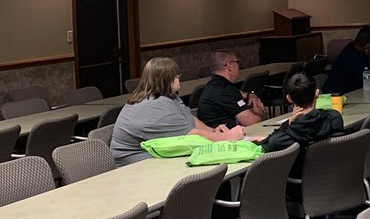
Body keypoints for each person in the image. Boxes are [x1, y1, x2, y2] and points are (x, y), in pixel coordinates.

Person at [110, 57, 243, 166]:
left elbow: (190, 121)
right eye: (177, 75)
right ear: (166, 79)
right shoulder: (155, 106)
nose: (179, 78)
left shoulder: (169, 96)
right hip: (134, 167)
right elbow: (192, 135)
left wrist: (213, 132)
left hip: (154, 159)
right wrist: (227, 137)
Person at [256, 70, 343, 174]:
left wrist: (287, 124)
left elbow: (268, 146)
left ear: (289, 98)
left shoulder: (283, 137)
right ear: (317, 93)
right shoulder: (335, 117)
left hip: (299, 185)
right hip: (336, 179)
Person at [198, 50, 265, 129]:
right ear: (230, 66)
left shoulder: (214, 85)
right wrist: (259, 112)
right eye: (237, 62)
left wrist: (250, 95)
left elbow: (236, 93)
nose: (239, 66)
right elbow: (252, 123)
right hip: (224, 137)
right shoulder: (225, 90)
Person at [323, 26, 370, 94]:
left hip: (351, 92)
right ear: (368, 44)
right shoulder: (351, 56)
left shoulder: (360, 51)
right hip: (336, 94)